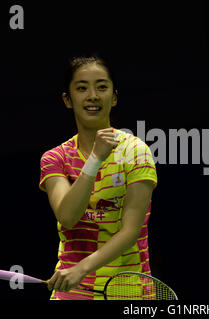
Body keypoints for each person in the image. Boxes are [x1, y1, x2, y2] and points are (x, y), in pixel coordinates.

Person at [39, 55, 157, 300]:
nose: (92, 95)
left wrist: (81, 269)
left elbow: (130, 231)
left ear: (113, 97)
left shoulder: (136, 152)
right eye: (82, 88)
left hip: (128, 290)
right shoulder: (54, 159)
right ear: (67, 99)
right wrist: (94, 160)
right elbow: (68, 217)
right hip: (73, 291)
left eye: (102, 87)